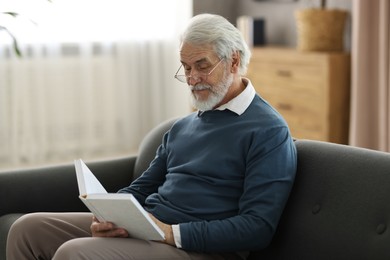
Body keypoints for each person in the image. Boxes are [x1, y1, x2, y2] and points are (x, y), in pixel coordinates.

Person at [6, 13, 297, 260]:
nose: (192, 78)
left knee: (75, 253)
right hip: (151, 229)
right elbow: (141, 188)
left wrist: (171, 233)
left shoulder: (269, 131)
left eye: (202, 66)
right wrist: (107, 215)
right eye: (186, 67)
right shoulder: (183, 127)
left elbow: (257, 228)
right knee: (27, 229)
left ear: (233, 62)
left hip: (200, 249)